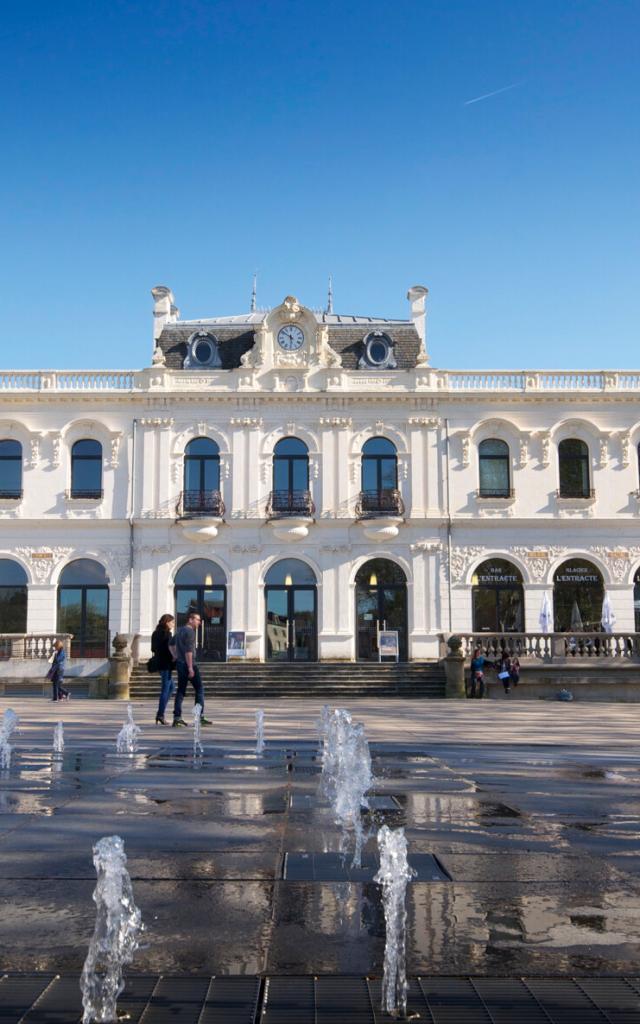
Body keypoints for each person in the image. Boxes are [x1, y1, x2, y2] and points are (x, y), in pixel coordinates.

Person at [170, 611, 212, 727]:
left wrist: (175, 656)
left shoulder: (180, 631)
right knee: (199, 689)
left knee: (181, 691)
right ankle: (199, 716)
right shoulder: (190, 632)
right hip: (189, 664)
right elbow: (189, 651)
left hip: (180, 664)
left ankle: (177, 717)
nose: (199, 622)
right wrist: (190, 668)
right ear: (190, 620)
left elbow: (171, 644)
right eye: (197, 620)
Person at [151, 613, 176, 725]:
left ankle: (160, 713)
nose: (173, 624)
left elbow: (153, 648)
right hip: (166, 664)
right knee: (166, 689)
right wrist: (174, 657)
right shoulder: (167, 634)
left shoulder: (155, 633)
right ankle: (160, 715)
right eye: (172, 622)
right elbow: (169, 649)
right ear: (167, 622)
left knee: (171, 687)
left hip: (159, 663)